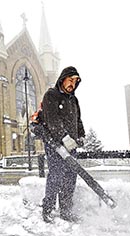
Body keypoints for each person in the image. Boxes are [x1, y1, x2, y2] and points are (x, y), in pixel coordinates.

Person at [41, 66, 85, 223]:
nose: (72, 83)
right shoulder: (51, 95)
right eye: (70, 80)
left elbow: (77, 121)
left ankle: (66, 210)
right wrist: (63, 137)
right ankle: (48, 209)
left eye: (75, 81)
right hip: (55, 144)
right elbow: (52, 119)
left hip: (71, 145)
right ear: (62, 78)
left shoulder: (74, 100)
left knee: (70, 178)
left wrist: (81, 136)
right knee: (56, 175)